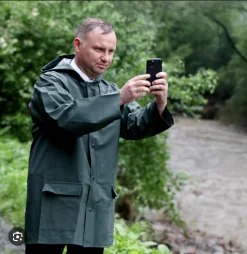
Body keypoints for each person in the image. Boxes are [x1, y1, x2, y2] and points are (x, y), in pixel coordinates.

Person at [24, 18, 174, 254]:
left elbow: (135, 126)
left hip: (95, 207)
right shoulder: (50, 83)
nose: (106, 57)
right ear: (77, 45)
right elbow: (66, 119)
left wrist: (160, 104)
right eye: (99, 49)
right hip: (52, 206)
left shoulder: (109, 91)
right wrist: (120, 99)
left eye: (111, 51)